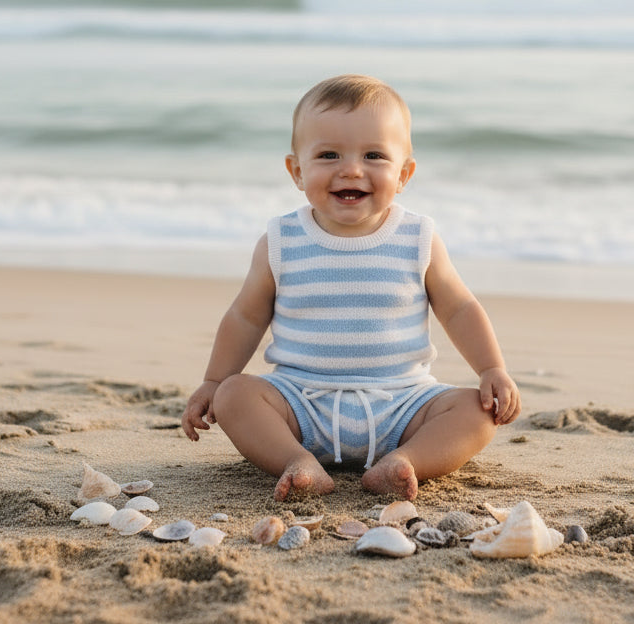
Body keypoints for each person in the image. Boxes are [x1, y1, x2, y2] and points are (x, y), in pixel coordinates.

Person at [182, 74, 520, 501]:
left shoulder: (418, 238)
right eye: (329, 155)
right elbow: (245, 316)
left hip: (403, 403)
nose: (351, 169)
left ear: (404, 174)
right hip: (300, 404)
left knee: (476, 413)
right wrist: (214, 381)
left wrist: (491, 369)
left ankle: (405, 461)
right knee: (235, 396)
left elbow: (458, 308)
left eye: (374, 155)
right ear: (297, 171)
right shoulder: (282, 241)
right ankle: (295, 460)